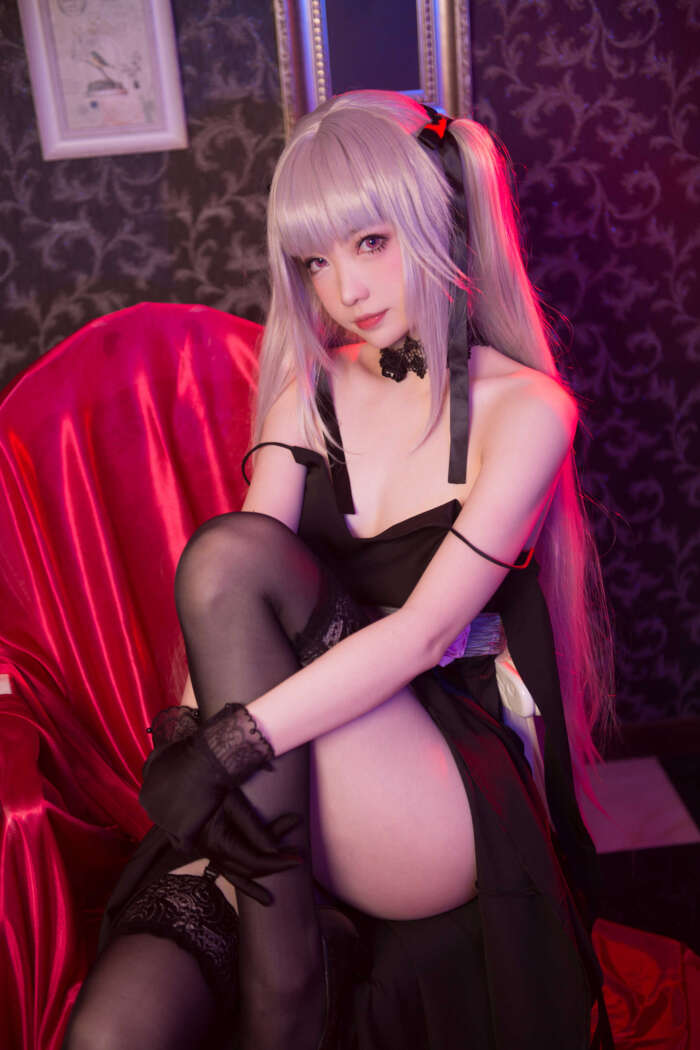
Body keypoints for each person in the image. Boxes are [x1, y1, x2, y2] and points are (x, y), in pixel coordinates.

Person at [63, 90, 615, 1050]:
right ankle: (295, 953)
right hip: (291, 763)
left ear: (442, 220)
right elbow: (226, 602)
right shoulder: (307, 386)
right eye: (315, 261)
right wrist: (188, 731)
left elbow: (426, 633)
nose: (345, 290)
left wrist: (224, 750)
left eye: (370, 242)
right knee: (113, 1029)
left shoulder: (529, 409)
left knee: (232, 552)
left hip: (428, 788)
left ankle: (289, 991)